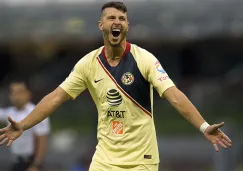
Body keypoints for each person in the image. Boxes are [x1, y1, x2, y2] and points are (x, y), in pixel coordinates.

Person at [0, 2, 232, 171]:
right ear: (101, 25)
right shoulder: (88, 64)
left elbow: (175, 96)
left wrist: (203, 127)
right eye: (111, 18)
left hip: (142, 159)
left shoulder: (144, 59)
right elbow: (55, 98)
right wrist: (23, 124)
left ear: (127, 26)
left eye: (121, 19)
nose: (117, 22)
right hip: (105, 159)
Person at [0, 80, 50, 171]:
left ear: (28, 94)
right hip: (16, 161)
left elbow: (42, 141)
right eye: (13, 92)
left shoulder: (37, 113)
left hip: (31, 162)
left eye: (19, 92)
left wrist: (36, 165)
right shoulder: (10, 112)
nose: (16, 96)